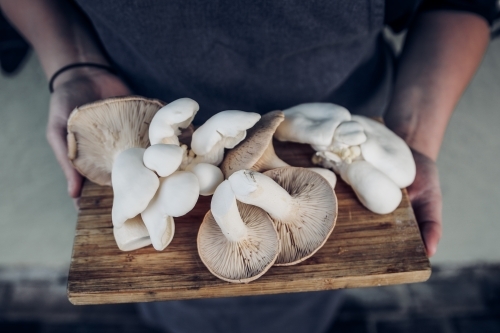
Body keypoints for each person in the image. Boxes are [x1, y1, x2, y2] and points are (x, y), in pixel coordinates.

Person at [0, 1, 496, 332]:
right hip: (143, 134)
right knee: (172, 305)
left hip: (339, 142)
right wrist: (75, 64)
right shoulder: (163, 174)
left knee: (302, 306)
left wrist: (411, 137)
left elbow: (460, 1)